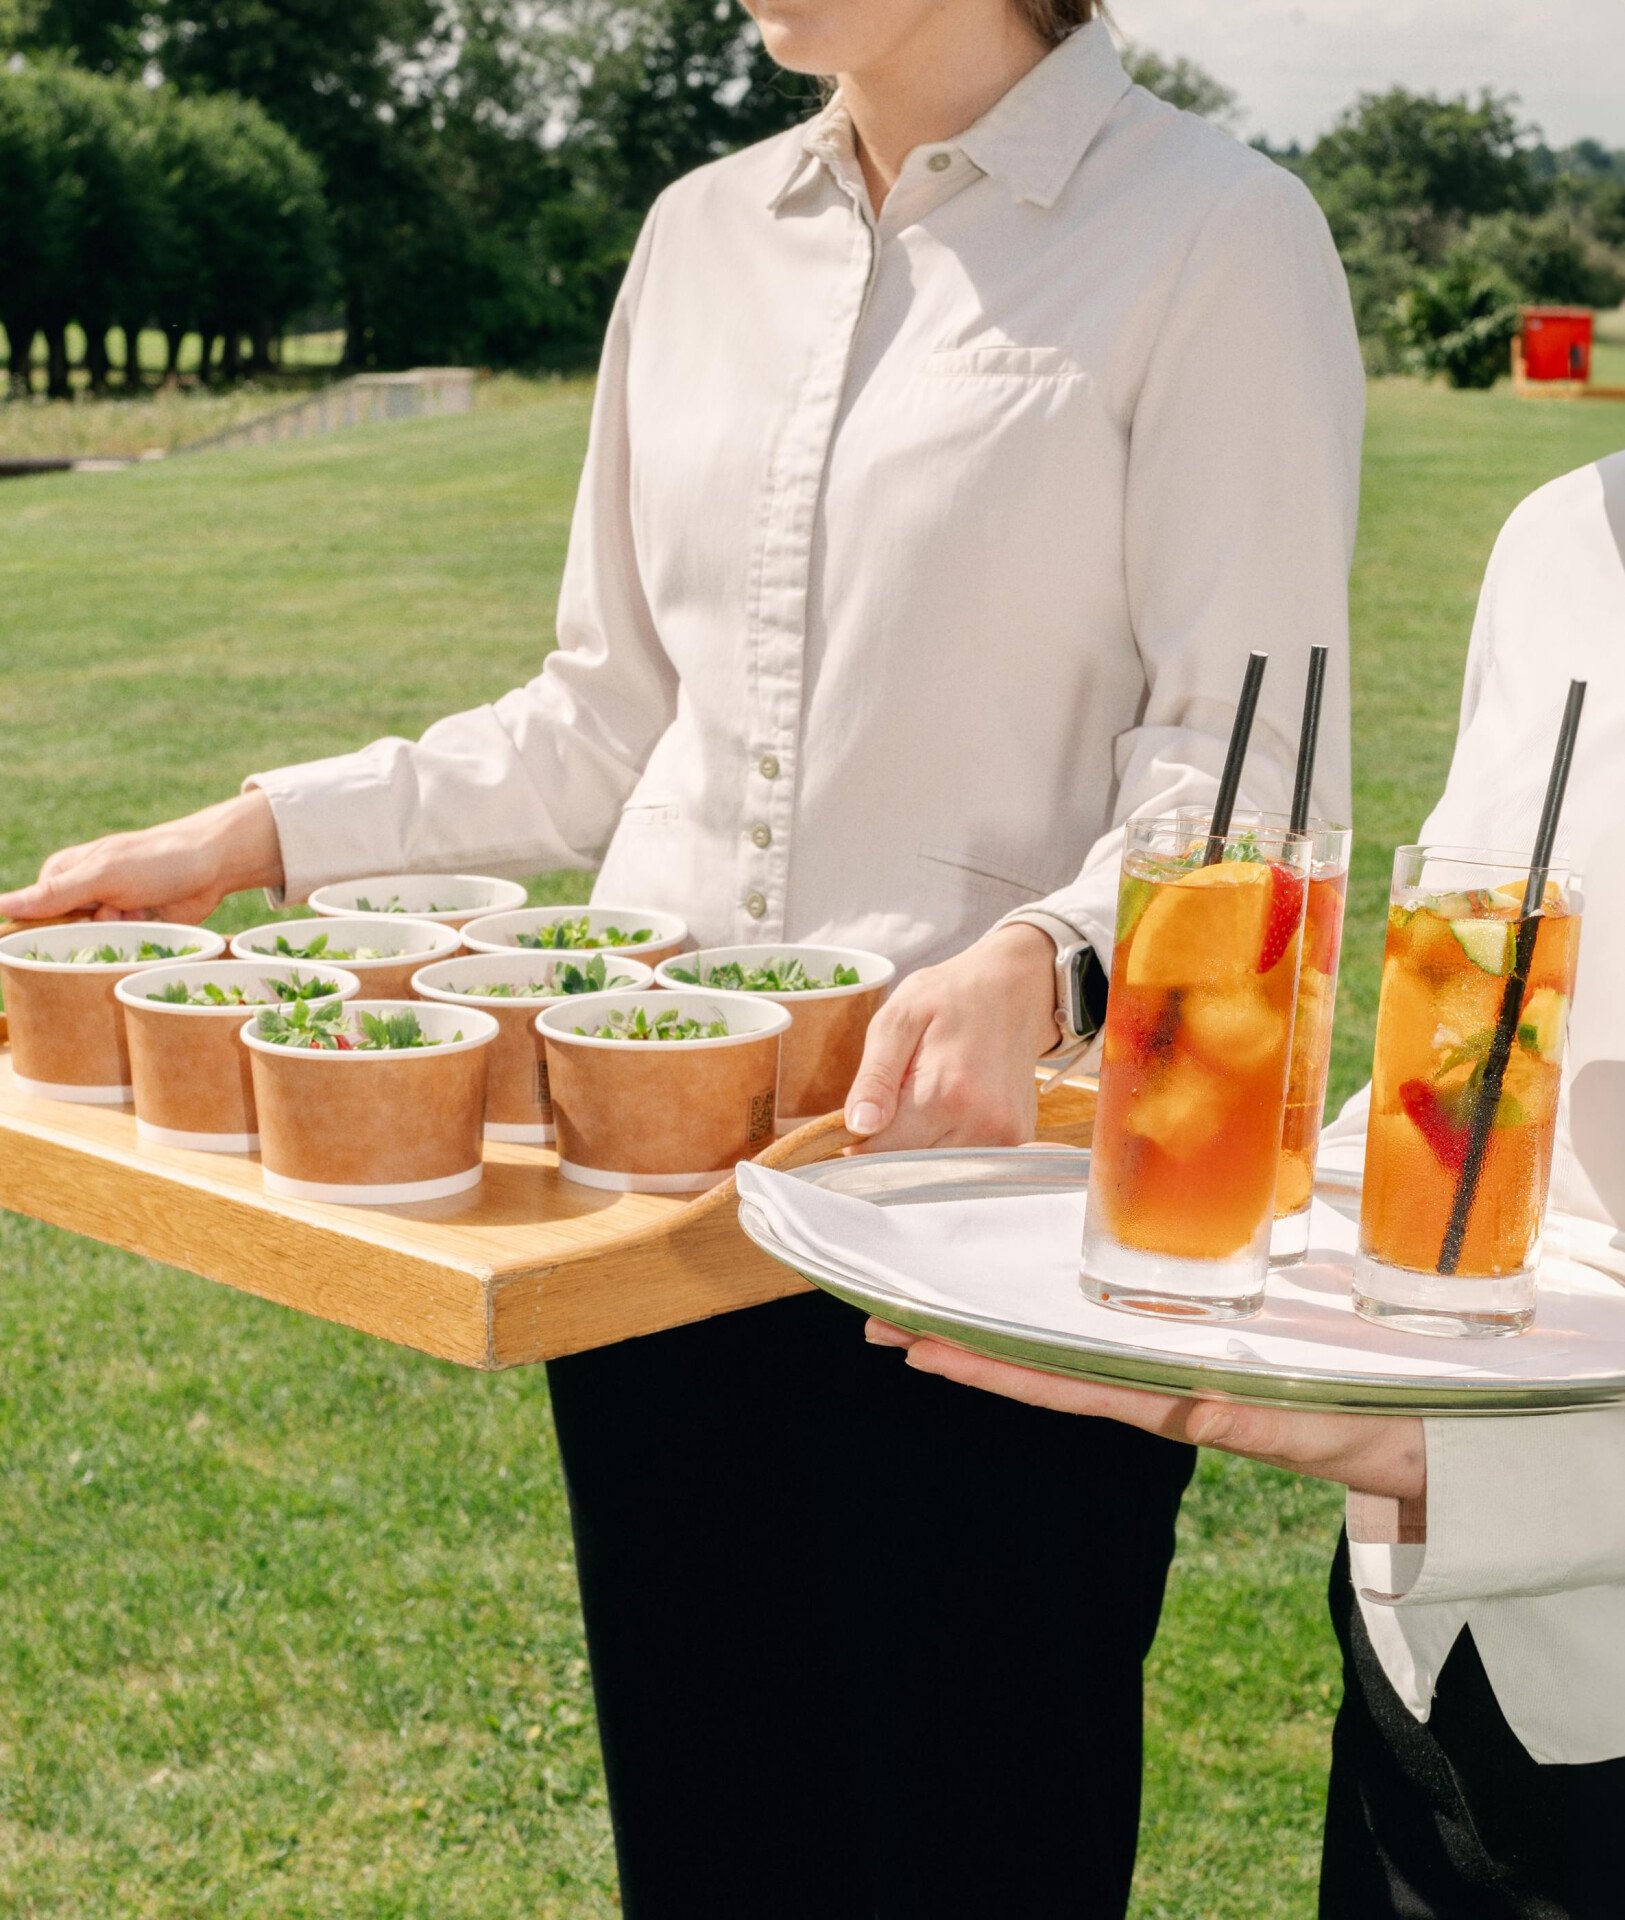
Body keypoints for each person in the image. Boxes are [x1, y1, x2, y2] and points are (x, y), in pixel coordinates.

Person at [0, 4, 1363, 1912]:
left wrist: (1040, 956)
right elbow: (597, 716)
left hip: (978, 1214)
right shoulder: (699, 232)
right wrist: (232, 836)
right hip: (646, 1195)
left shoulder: (1216, 232)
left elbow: (1249, 763)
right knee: (710, 1830)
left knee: (972, 1843)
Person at [871, 449, 1625, 1919]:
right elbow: (1464, 1049)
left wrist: (1456, 1454)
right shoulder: (1557, 541)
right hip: (1435, 1678)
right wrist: (1247, 1219)